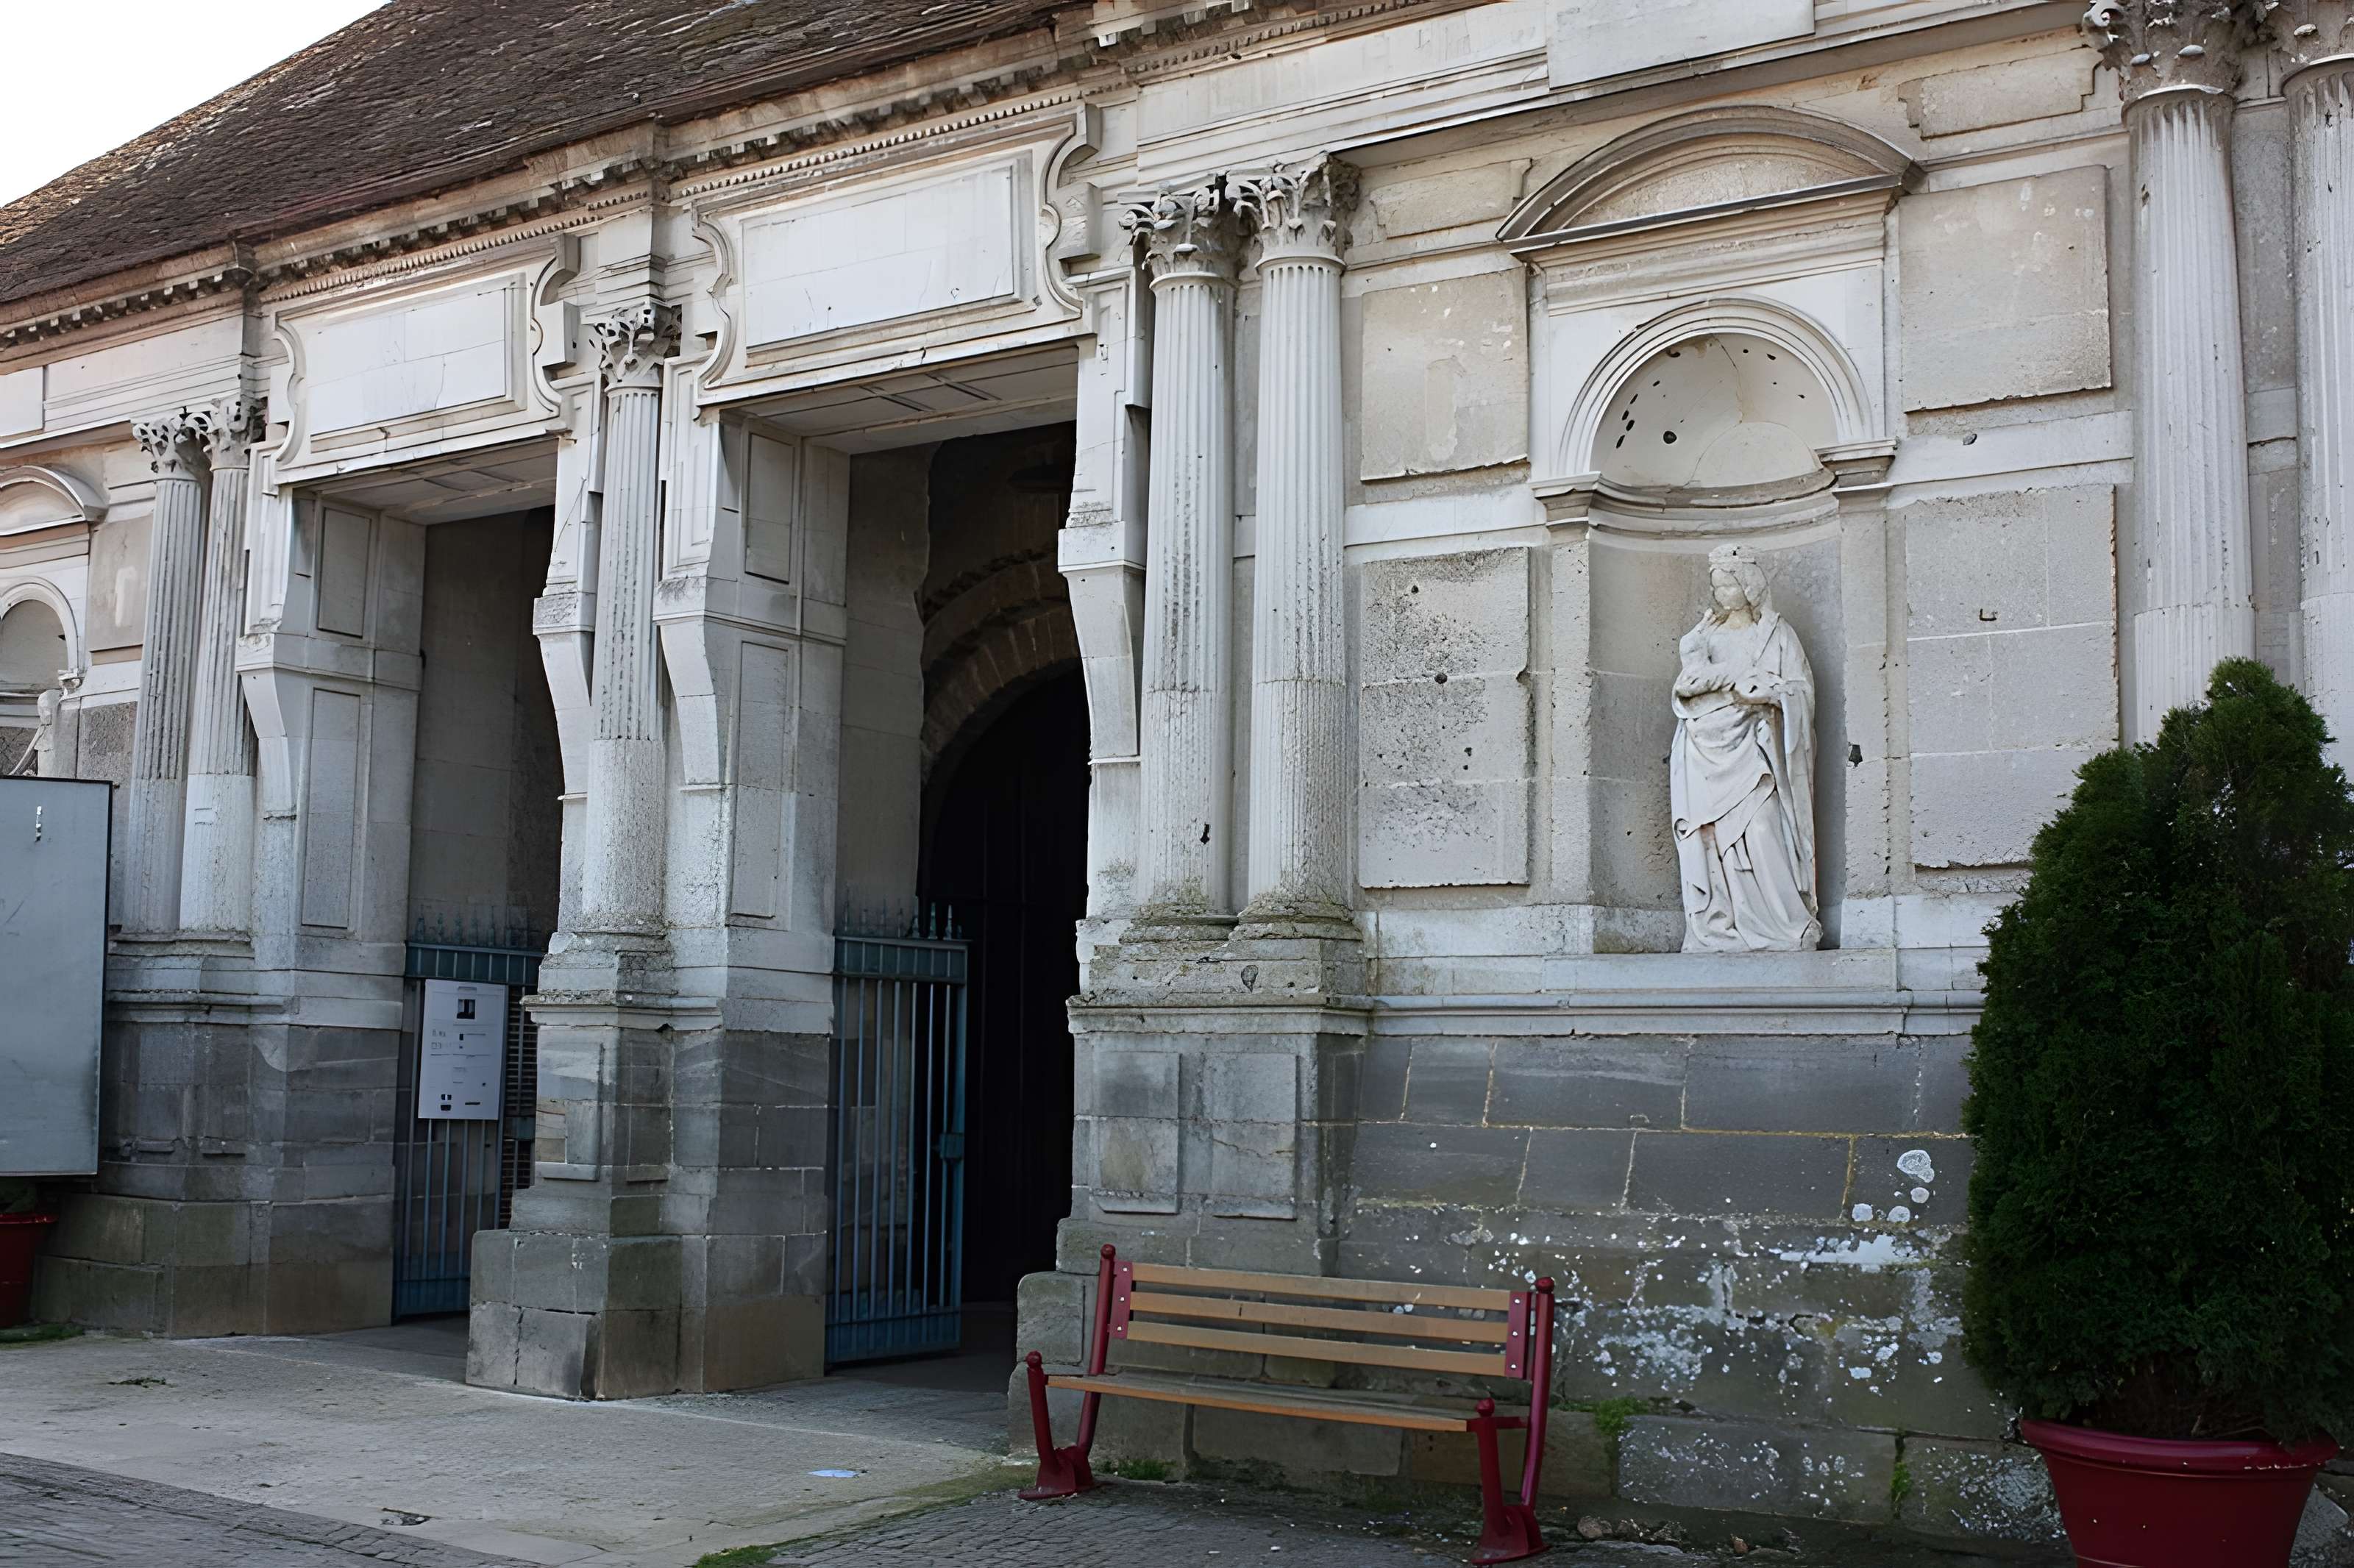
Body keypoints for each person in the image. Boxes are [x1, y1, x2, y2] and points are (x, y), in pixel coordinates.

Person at [1669, 544, 1821, 952]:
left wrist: (1768, 696)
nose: (1722, 594)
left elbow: (1801, 691)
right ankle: (1720, 926)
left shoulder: (1774, 633)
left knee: (1760, 827)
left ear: (1748, 584)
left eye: (1729, 584)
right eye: (1717, 586)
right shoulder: (1705, 637)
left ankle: (1785, 925)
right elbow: (1687, 686)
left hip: (1756, 750)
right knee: (1711, 840)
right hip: (1705, 751)